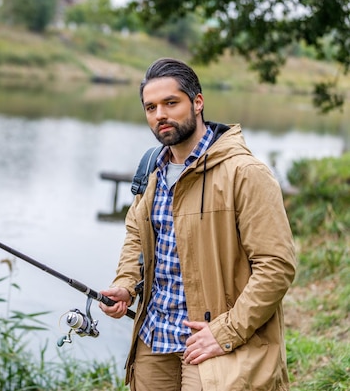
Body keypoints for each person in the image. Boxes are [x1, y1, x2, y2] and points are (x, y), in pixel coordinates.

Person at [99, 58, 296, 391]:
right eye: (150, 107)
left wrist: (226, 331)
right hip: (155, 335)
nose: (160, 114)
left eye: (170, 103)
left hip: (215, 337)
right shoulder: (151, 170)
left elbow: (276, 267)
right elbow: (138, 236)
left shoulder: (245, 173)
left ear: (198, 102)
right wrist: (126, 284)